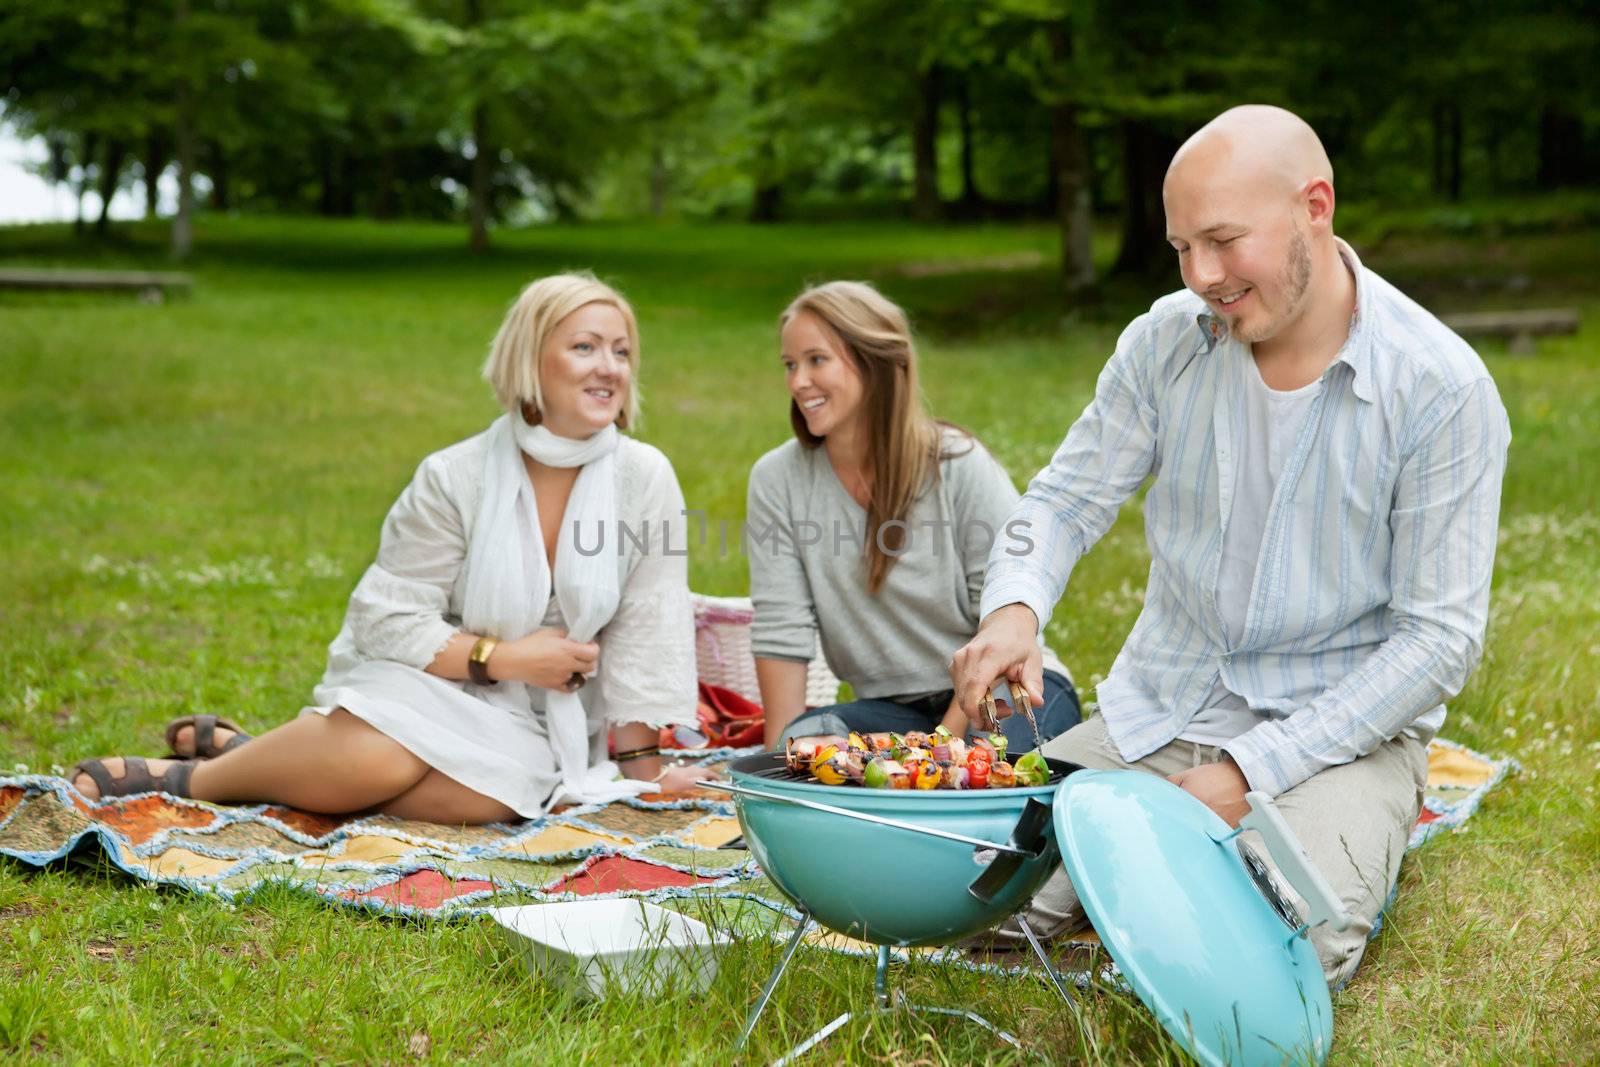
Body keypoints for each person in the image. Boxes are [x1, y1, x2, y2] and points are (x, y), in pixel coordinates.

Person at [949, 105, 1510, 986]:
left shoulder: (1442, 388)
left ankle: (1292, 852)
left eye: (1223, 240)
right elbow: (1064, 498)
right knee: (971, 895)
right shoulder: (1165, 343)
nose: (1201, 275)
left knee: (1279, 948)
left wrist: (1252, 771)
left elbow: (1437, 641)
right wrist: (1015, 608)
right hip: (1163, 712)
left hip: (1339, 742)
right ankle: (1141, 863)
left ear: (1314, 206)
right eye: (1181, 247)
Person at [71, 273, 702, 822]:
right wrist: (504, 658)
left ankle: (271, 761)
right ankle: (192, 783)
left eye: (621, 352)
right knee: (383, 754)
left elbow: (652, 625)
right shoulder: (456, 476)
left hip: (551, 724)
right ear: (531, 361)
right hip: (435, 686)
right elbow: (386, 617)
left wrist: (640, 768)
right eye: (585, 347)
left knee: (496, 797)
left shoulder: (643, 477)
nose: (609, 367)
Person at [748, 281, 1080, 752]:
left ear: (876, 363)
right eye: (789, 364)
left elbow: (1002, 613)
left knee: (986, 769)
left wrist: (944, 746)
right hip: (892, 709)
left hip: (1006, 691)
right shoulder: (777, 480)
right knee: (808, 741)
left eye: (816, 360)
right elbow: (781, 629)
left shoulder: (958, 466)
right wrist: (778, 762)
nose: (798, 381)